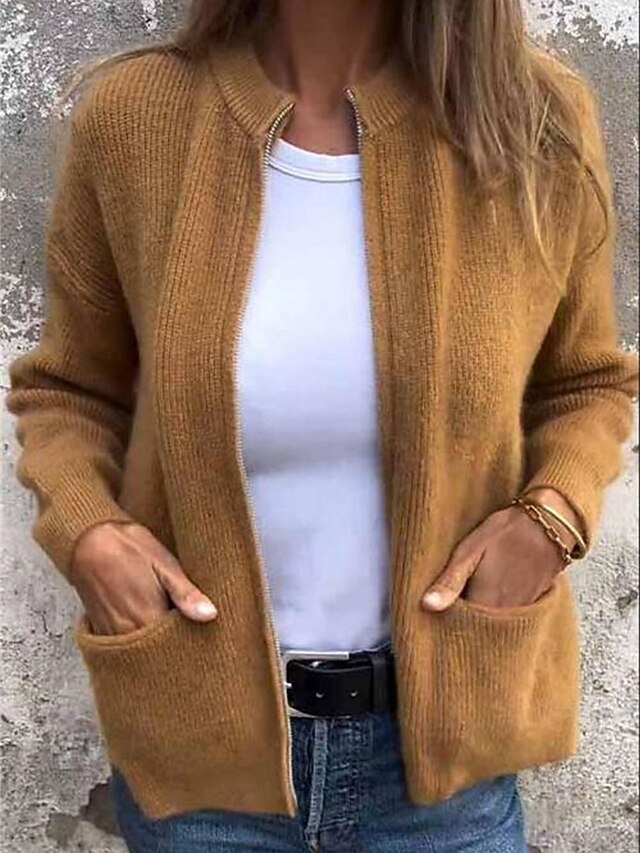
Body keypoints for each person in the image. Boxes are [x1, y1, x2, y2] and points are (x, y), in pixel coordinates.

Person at [6, 1, 638, 851]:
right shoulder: (138, 119)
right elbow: (70, 392)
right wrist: (90, 532)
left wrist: (551, 517)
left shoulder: (532, 120)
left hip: (439, 777)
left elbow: (585, 382)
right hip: (200, 766)